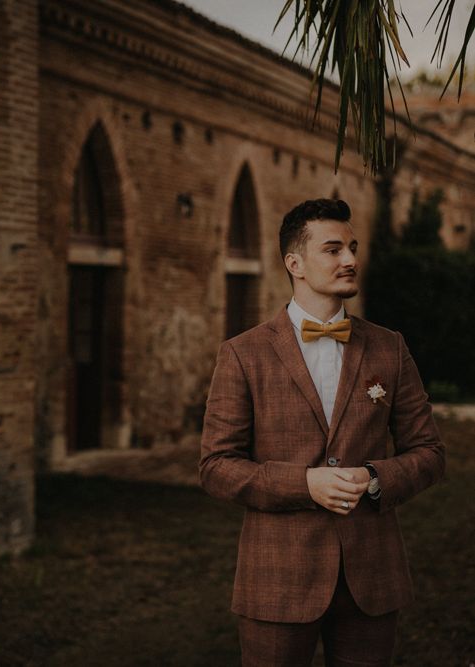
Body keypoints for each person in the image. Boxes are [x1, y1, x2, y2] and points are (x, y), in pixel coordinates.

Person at [199, 199, 445, 666]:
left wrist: (376, 477)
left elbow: (429, 451)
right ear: (295, 263)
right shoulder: (242, 354)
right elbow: (216, 467)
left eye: (351, 247)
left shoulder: (389, 348)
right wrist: (304, 484)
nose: (350, 259)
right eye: (332, 249)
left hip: (372, 579)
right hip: (277, 580)